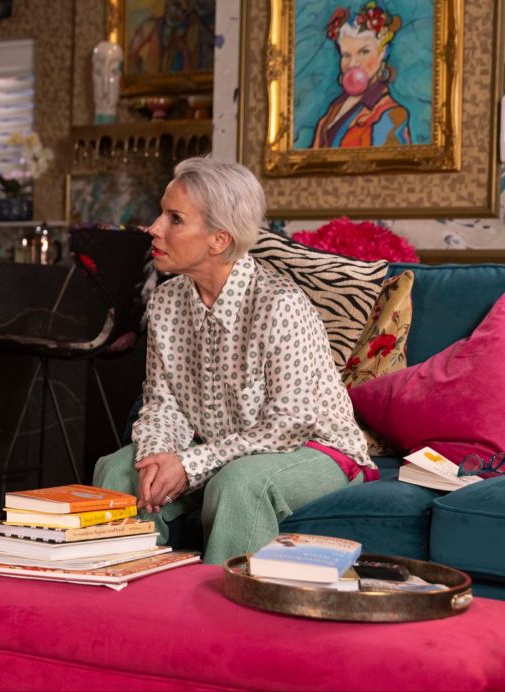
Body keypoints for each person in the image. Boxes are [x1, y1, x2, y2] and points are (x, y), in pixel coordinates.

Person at [93, 157, 375, 565]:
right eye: (161, 214)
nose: (153, 227)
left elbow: (290, 423)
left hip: (314, 449)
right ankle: (137, 597)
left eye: (175, 219)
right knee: (119, 471)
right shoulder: (166, 302)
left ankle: (225, 608)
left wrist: (189, 464)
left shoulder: (280, 304)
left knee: (239, 484)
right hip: (218, 448)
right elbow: (162, 403)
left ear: (219, 240)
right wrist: (157, 457)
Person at [312, 2, 411, 148]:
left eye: (364, 52)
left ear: (382, 53)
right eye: (346, 55)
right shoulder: (337, 105)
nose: (353, 64)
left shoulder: (392, 114)